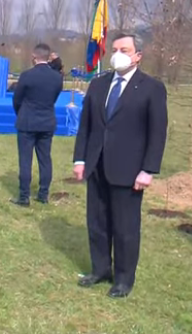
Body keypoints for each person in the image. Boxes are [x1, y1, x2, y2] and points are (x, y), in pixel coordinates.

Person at [72, 33, 168, 298]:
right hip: (96, 165)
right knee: (97, 222)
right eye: (114, 49)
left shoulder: (151, 88)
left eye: (124, 49)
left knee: (125, 227)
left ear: (138, 55)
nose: (117, 54)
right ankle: (100, 269)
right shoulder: (99, 84)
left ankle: (124, 279)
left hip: (129, 170)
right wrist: (80, 159)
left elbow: (157, 133)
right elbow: (86, 126)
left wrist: (148, 170)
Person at [10, 43, 63, 206]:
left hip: (27, 122)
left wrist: (21, 113)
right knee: (45, 159)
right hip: (47, 122)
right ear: (48, 57)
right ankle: (43, 194)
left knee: (25, 160)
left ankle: (24, 197)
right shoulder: (57, 78)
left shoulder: (27, 76)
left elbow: (17, 99)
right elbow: (54, 97)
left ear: (34, 57)